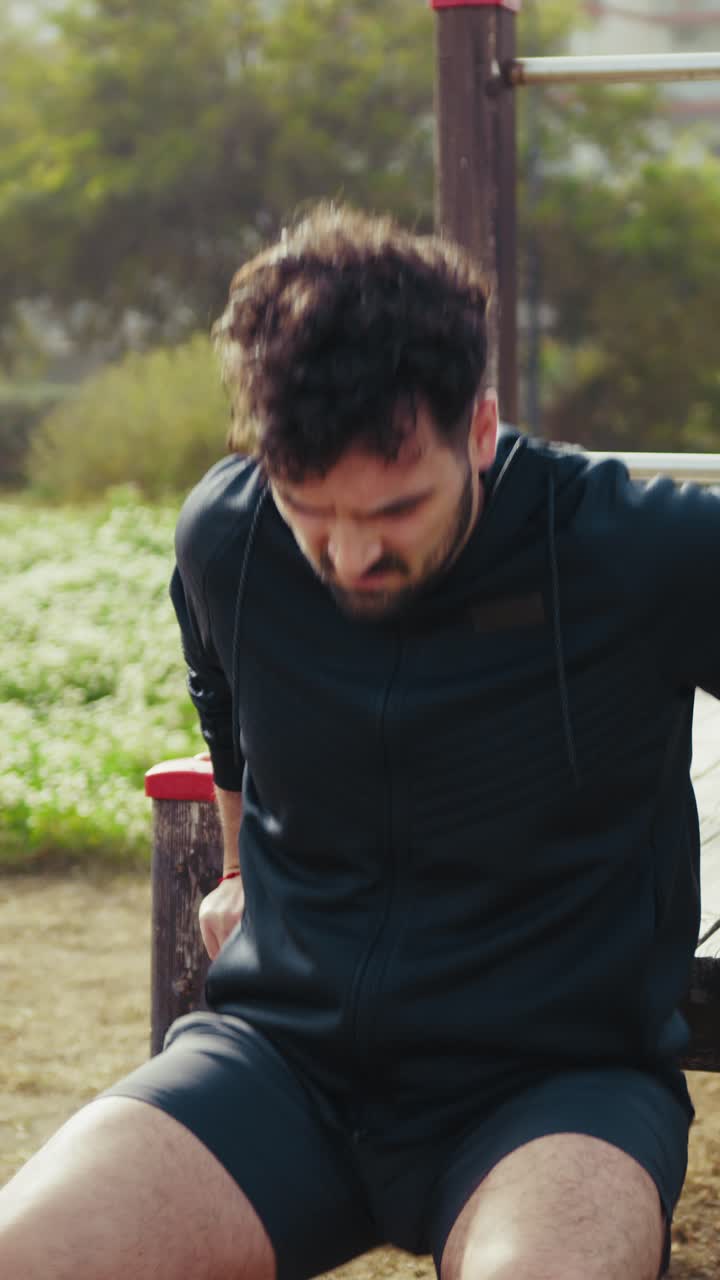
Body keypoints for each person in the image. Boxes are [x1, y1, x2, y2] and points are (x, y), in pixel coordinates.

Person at [1, 204, 719, 1280]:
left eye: (393, 509)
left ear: (479, 430)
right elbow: (223, 691)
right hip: (282, 1062)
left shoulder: (641, 552)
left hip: (560, 1084)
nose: (345, 552)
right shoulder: (231, 534)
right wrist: (240, 861)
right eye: (310, 507)